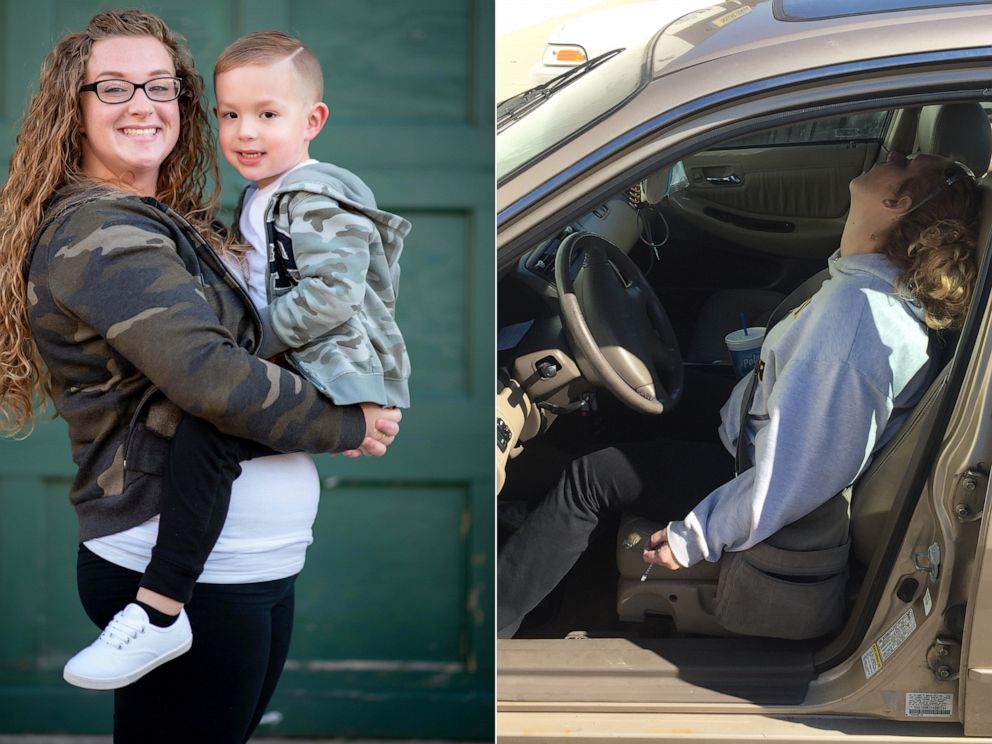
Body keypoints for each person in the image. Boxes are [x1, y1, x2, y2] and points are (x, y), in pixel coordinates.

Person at [0, 10, 400, 742]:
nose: (142, 104)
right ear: (74, 104)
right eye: (112, 87)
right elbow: (213, 378)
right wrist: (347, 422)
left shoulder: (164, 216)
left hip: (246, 568)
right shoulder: (104, 233)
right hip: (187, 577)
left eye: (160, 86)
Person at [497, 151, 980, 639]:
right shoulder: (864, 287)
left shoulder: (852, 327)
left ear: (896, 201)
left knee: (590, 479)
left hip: (755, 473)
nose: (892, 154)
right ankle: (545, 537)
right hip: (753, 430)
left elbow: (796, 477)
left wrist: (698, 534)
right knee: (629, 404)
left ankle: (490, 626)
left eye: (903, 162)